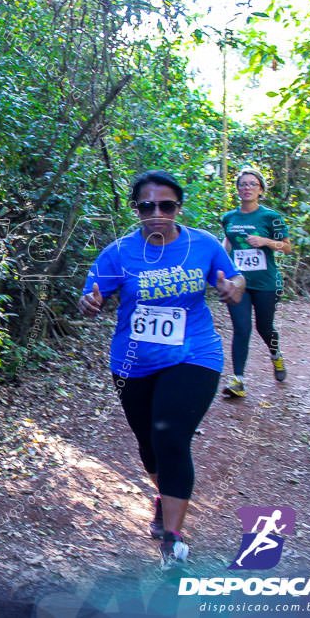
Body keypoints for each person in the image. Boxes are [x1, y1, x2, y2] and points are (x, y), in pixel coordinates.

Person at [78, 170, 244, 569]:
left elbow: (235, 278)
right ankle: (162, 494)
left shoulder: (202, 244)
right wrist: (89, 304)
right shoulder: (119, 252)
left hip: (195, 355)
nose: (157, 213)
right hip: (133, 363)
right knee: (149, 445)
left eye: (166, 205)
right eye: (147, 206)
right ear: (136, 209)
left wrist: (232, 288)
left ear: (178, 208)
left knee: (170, 438)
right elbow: (90, 295)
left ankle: (173, 537)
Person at [220, 168, 292, 399]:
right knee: (241, 328)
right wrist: (218, 266)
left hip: (265, 283)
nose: (247, 188)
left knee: (264, 327)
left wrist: (265, 241)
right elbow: (227, 245)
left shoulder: (272, 217)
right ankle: (238, 381)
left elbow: (287, 247)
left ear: (261, 189)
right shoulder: (229, 218)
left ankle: (276, 355)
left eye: (252, 184)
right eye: (242, 184)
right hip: (238, 283)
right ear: (238, 189)